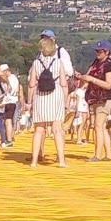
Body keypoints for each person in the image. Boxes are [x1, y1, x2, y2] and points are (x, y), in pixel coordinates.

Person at [27, 32, 69, 167]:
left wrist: (29, 102)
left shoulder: (35, 63)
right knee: (57, 128)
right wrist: (65, 101)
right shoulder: (59, 63)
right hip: (55, 94)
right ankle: (61, 160)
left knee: (39, 129)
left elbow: (31, 84)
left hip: (40, 95)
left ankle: (34, 161)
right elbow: (64, 84)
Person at [82, 41, 111, 162]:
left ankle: (97, 155)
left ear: (107, 52)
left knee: (98, 125)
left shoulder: (109, 65)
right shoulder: (96, 62)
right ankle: (108, 154)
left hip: (106, 98)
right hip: (96, 97)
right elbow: (88, 75)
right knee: (101, 127)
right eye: (96, 51)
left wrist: (92, 79)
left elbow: (108, 85)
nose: (97, 53)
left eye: (99, 51)